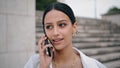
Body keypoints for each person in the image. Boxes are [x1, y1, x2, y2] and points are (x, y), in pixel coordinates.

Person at [24, 2, 106, 68]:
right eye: (49, 26)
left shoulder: (95, 65)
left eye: (62, 25)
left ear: (74, 27)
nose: (55, 32)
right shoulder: (34, 63)